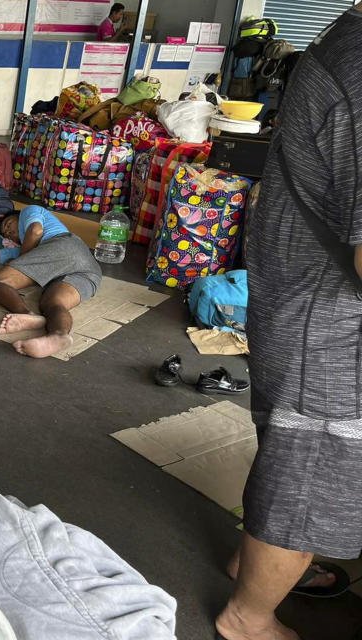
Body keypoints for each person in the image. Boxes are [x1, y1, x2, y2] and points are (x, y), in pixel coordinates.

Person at [217, 6, 362, 640]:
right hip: (322, 310)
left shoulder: (351, 34)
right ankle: (249, 616)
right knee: (316, 464)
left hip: (301, 289)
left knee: (292, 445)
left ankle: (253, 563)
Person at [0, 205, 102, 359]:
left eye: (9, 225)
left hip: (63, 245)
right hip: (90, 270)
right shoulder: (23, 248)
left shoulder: (29, 211)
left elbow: (36, 231)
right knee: (52, 303)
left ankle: (26, 314)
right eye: (7, 235)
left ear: (19, 217)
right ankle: (59, 336)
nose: (9, 233)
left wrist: (21, 261)